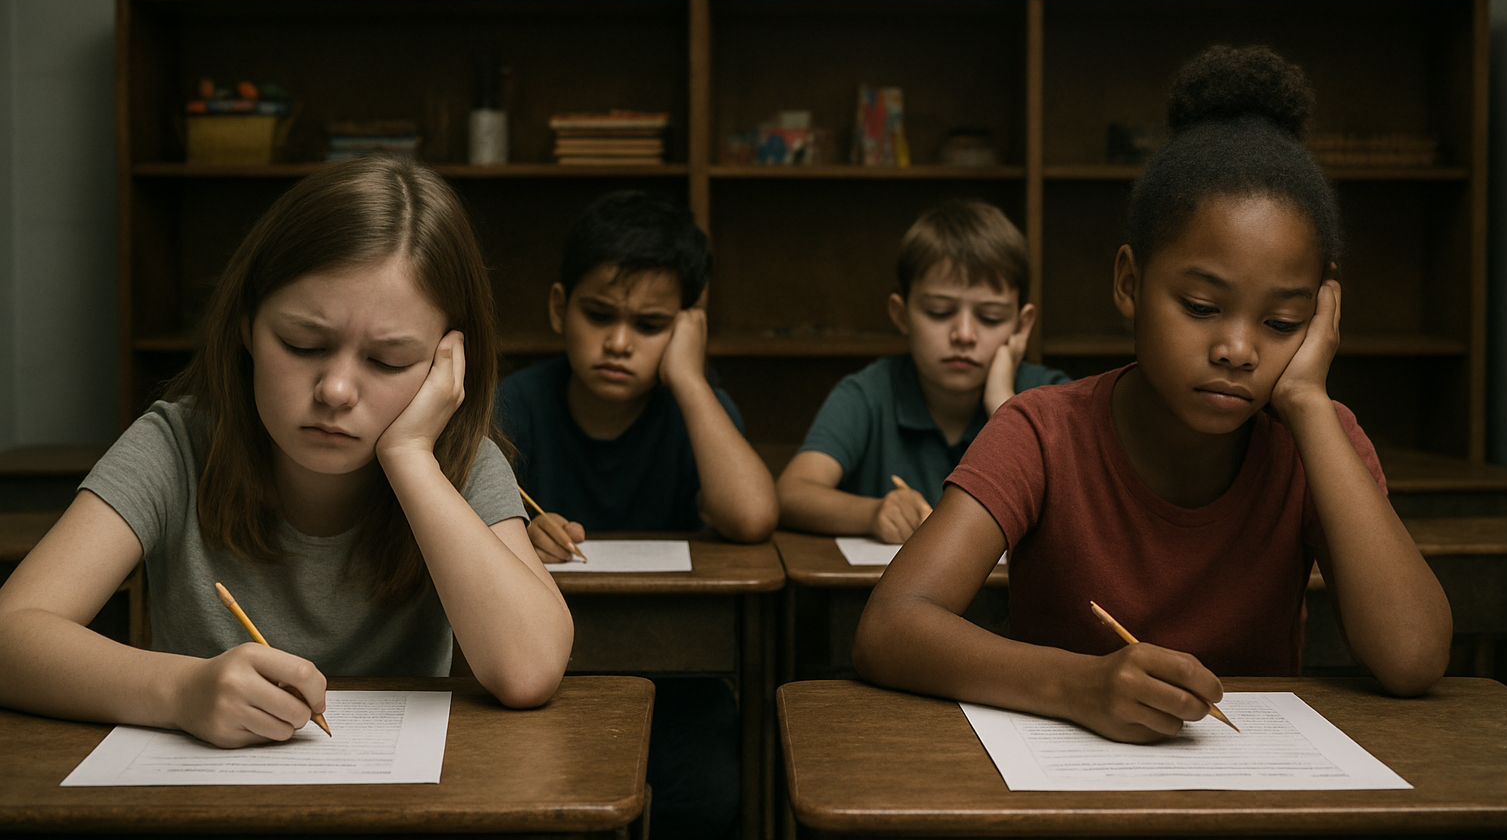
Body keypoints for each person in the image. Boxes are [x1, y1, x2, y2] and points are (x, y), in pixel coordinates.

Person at [853, 45, 1453, 743]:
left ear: (1322, 315)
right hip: (1065, 788)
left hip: (1253, 790)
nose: (1238, 348)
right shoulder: (1043, 431)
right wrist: (1079, 686)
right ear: (1130, 284)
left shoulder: (1316, 439)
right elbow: (890, 627)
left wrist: (1312, 407)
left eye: (1283, 321)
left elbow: (1413, 658)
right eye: (1201, 306)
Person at [0, 156, 572, 748]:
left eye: (389, 361)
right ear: (247, 325)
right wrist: (181, 690)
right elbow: (9, 634)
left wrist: (409, 455)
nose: (337, 391)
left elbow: (527, 671)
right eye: (303, 344)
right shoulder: (175, 446)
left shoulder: (458, 464)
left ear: (444, 364)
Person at [494, 188, 776, 840]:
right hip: (546, 676)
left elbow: (753, 517)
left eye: (651, 325)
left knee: (709, 793)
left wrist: (690, 378)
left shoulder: (696, 411)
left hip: (681, 675)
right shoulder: (516, 405)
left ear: (686, 326)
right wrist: (515, 531)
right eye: (599, 315)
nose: (619, 342)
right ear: (561, 307)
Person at [777, 198, 1069, 542]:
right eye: (939, 311)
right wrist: (872, 514)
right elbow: (791, 493)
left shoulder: (1051, 397)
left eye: (990, 317)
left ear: (1021, 325)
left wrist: (1004, 409)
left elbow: (1081, 512)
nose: (964, 334)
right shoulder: (869, 393)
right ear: (901, 315)